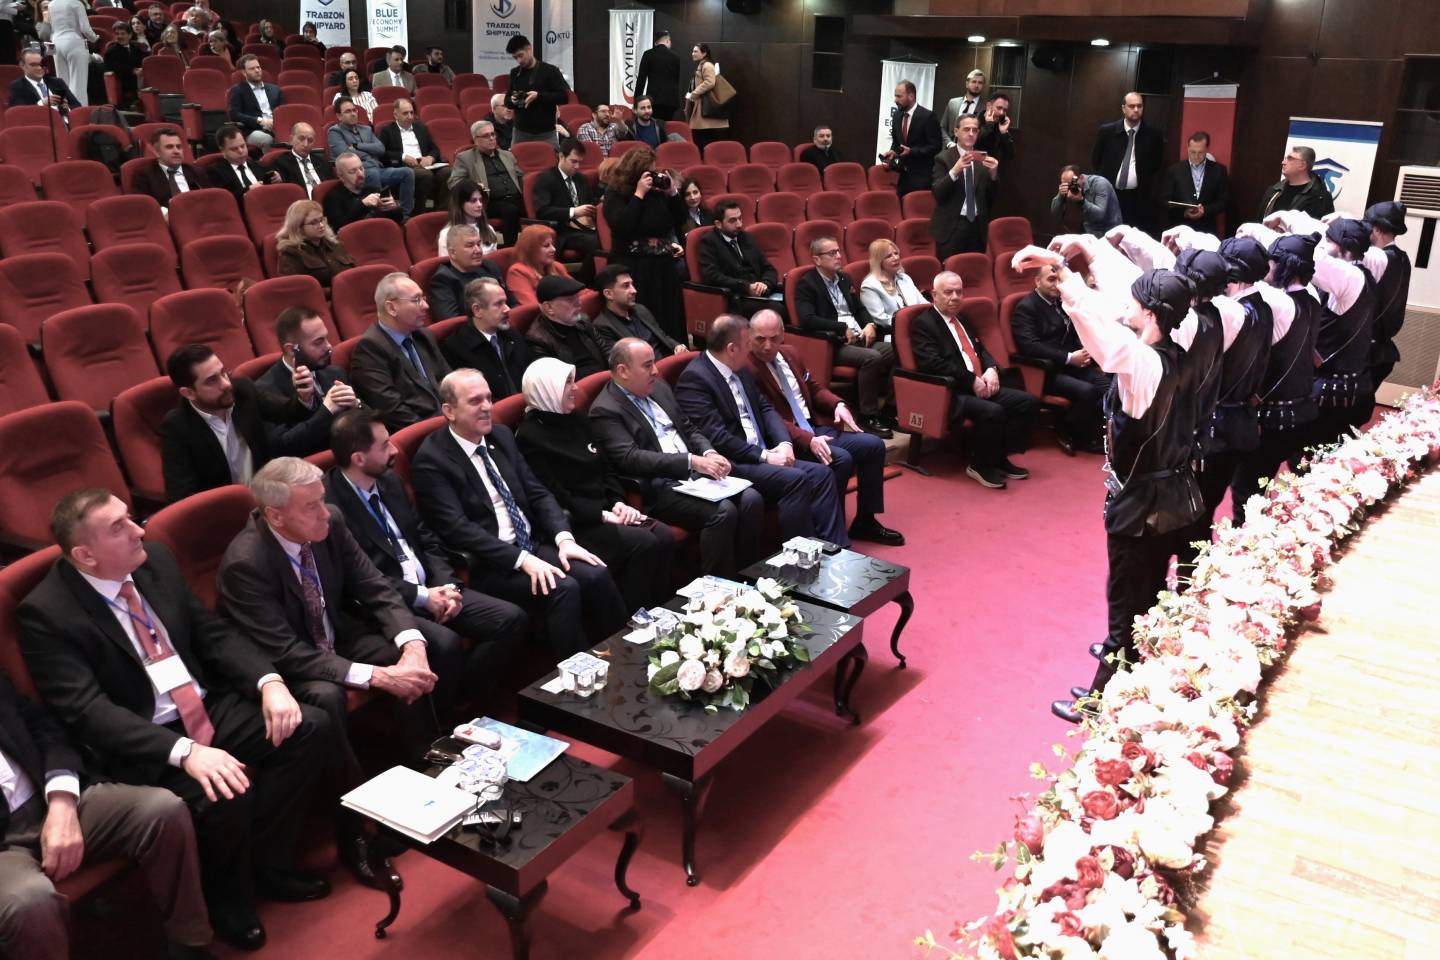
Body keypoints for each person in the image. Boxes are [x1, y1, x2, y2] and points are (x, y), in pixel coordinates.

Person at [20, 489, 332, 950]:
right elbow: (87, 711)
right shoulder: (47, 613)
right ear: (85, 555)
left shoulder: (155, 561)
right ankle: (225, 896)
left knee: (309, 727)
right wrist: (185, 752)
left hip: (205, 705)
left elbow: (211, 634)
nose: (138, 531)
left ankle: (264, 860)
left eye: (131, 518)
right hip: (147, 737)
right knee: (224, 791)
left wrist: (268, 682)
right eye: (119, 528)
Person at [215, 458, 452, 886]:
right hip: (286, 667)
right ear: (275, 516)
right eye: (311, 507)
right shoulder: (245, 563)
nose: (324, 512)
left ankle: (427, 773)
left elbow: (374, 587)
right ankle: (354, 832)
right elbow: (287, 652)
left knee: (410, 656)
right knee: (327, 698)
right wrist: (379, 677)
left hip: (336, 638)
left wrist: (412, 647)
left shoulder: (331, 522)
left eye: (322, 500)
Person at [1004, 247, 1202, 721]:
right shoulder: (1183, 344)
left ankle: (1100, 702)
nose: (1124, 305)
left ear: (1150, 313)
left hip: (1142, 506)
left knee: (1125, 607)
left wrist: (1065, 276)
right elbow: (1113, 314)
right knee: (1147, 597)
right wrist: (1084, 256)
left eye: (1134, 302)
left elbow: (1101, 333)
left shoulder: (1142, 361)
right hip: (1176, 496)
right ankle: (1138, 677)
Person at [411, 368, 629, 654]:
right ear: (449, 411)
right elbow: (458, 529)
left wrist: (565, 539)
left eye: (489, 398)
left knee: (596, 573)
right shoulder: (432, 460)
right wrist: (521, 560)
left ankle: (627, 653)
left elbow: (537, 493)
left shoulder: (500, 435)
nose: (487, 407)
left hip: (532, 543)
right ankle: (579, 673)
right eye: (475, 401)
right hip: (492, 562)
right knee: (563, 588)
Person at [0, 670, 214, 960]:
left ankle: (189, 945)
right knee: (29, 902)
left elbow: (43, 726)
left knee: (163, 811)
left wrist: (62, 802)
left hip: (46, 795)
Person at [325, 409, 524, 712]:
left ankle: (465, 703)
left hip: (432, 587)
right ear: (359, 459)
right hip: (388, 605)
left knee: (510, 619)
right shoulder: (331, 508)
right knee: (445, 644)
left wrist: (447, 585)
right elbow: (363, 579)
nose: (395, 450)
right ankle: (446, 720)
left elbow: (425, 538)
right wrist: (423, 597)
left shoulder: (389, 481)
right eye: (384, 445)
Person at [591, 338, 762, 575]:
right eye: (647, 365)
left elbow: (688, 427)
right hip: (661, 486)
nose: (656, 370)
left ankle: (749, 575)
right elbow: (630, 458)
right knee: (724, 511)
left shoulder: (658, 387)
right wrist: (691, 461)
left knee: (752, 498)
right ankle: (717, 584)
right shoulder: (605, 410)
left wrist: (709, 452)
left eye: (654, 363)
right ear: (623, 371)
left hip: (696, 475)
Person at [516, 359, 676, 609]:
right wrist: (601, 514)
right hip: (579, 522)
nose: (576, 388)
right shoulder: (529, 436)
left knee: (664, 535)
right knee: (643, 543)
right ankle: (636, 616)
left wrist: (618, 502)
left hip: (607, 509)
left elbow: (606, 467)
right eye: (567, 383)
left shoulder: (577, 418)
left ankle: (662, 608)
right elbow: (553, 494)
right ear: (547, 389)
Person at [675, 315, 850, 545]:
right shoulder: (695, 380)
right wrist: (766, 456)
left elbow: (766, 408)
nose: (751, 350)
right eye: (748, 343)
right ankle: (799, 556)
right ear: (732, 349)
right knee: (796, 479)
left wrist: (784, 443)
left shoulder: (738, 368)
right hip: (732, 461)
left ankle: (835, 549)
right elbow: (718, 438)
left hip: (762, 450)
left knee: (822, 474)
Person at [746, 310, 903, 546]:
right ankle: (828, 531)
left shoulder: (790, 353)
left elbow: (814, 388)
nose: (768, 346)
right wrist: (807, 439)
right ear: (749, 336)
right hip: (787, 440)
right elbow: (769, 418)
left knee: (872, 445)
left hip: (816, 427)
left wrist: (837, 404)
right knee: (839, 458)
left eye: (774, 338)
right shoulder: (746, 368)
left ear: (783, 335)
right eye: (760, 339)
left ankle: (865, 521)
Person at [160, 343, 335, 502]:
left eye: (223, 372)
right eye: (212, 381)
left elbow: (288, 412)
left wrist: (304, 396)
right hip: (225, 510)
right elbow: (183, 496)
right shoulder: (176, 427)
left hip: (267, 496)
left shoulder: (243, 390)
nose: (225, 384)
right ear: (189, 393)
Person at [910, 271, 1038, 489]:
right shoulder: (924, 324)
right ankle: (979, 465)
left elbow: (980, 349)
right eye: (948, 292)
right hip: (952, 392)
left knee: (1028, 402)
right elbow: (933, 364)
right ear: (934, 295)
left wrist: (991, 369)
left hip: (978, 383)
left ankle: (998, 456)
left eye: (959, 292)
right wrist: (971, 380)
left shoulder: (963, 319)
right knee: (993, 411)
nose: (955, 297)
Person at [1229, 233, 1323, 523]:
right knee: (1278, 482)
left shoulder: (1280, 304)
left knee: (1247, 489)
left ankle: (1244, 542)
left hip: (1276, 418)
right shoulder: (1312, 299)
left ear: (1286, 265)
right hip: (1303, 411)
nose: (1267, 267)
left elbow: (1250, 286)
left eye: (1271, 261)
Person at [792, 236, 896, 436]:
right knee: (872, 357)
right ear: (816, 259)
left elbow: (859, 309)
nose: (839, 256)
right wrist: (840, 328)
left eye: (839, 251)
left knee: (898, 351)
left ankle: (889, 409)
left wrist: (869, 324)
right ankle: (867, 415)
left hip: (860, 337)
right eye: (832, 253)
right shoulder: (807, 284)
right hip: (834, 344)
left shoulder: (844, 278)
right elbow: (807, 320)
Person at [1009, 260, 1109, 455]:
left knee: (1110, 388)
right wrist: (1070, 357)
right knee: (1088, 391)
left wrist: (1085, 350)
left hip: (1074, 367)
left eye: (1059, 279)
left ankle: (1085, 426)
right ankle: (1072, 431)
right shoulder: (1026, 307)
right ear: (1037, 281)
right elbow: (1030, 347)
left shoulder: (1061, 302)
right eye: (1051, 279)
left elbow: (1074, 332)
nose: (1057, 284)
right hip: (1047, 372)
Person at [602, 146, 687, 342]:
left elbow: (680, 219)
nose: (653, 175)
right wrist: (639, 194)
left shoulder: (657, 192)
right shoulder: (616, 193)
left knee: (670, 316)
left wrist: (673, 193)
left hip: (663, 266)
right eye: (648, 171)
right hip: (634, 266)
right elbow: (623, 225)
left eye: (653, 170)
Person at [350, 272, 454, 430]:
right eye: (416, 300)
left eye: (423, 298)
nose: (426, 306)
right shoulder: (370, 349)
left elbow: (449, 380)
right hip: (421, 432)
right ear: (391, 308)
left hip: (450, 419)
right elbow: (392, 410)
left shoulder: (423, 335)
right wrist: (439, 429)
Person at [442, 277, 532, 400]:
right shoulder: (456, 348)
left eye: (505, 302)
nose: (507, 309)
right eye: (498, 304)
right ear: (477, 310)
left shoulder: (513, 335)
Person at [327, 98, 415, 219]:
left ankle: (404, 214)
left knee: (407, 172)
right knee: (372, 173)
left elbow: (380, 149)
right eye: (348, 111)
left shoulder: (366, 129)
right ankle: (378, 216)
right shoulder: (335, 132)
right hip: (356, 171)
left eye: (354, 110)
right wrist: (369, 155)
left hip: (377, 168)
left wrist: (358, 146)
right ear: (339, 116)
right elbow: (345, 153)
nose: (353, 113)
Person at [1091, 92, 1164, 233]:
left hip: (1138, 199)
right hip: (1109, 195)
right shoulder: (1107, 132)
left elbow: (1156, 165)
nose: (1136, 109)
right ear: (1123, 108)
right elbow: (1096, 160)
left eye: (1139, 106)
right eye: (1132, 106)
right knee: (1106, 235)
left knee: (1131, 238)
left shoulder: (1154, 135)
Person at [257, 306, 354, 410]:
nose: (329, 346)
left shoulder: (336, 373)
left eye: (326, 338)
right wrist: (326, 409)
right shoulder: (268, 392)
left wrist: (356, 404)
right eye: (318, 342)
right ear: (292, 350)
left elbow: (363, 414)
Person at [931, 113, 999, 258]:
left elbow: (991, 198)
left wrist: (993, 175)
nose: (971, 134)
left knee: (973, 269)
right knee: (950, 269)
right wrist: (955, 170)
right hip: (951, 227)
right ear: (956, 132)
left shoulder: (983, 159)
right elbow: (938, 193)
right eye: (966, 129)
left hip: (977, 228)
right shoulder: (943, 158)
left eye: (975, 130)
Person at [698, 200, 783, 317]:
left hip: (760, 293)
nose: (739, 224)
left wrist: (765, 283)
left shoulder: (747, 237)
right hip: (736, 297)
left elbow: (768, 268)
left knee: (795, 298)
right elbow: (711, 276)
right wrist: (746, 287)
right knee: (777, 310)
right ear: (718, 224)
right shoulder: (709, 242)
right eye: (733, 220)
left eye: (740, 218)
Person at [1363, 200, 1413, 397]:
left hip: (1367, 352)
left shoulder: (1378, 259)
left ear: (1376, 229)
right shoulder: (1402, 258)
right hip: (1382, 351)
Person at [532, 138, 601, 276]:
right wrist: (573, 212)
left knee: (612, 239)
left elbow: (590, 202)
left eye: (580, 162)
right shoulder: (546, 178)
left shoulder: (581, 179)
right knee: (598, 243)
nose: (577, 166)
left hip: (585, 228)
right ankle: (583, 281)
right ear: (561, 157)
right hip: (562, 231)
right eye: (573, 161)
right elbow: (542, 211)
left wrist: (598, 205)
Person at [447, 121, 524, 244]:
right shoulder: (465, 158)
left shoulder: (507, 155)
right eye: (486, 136)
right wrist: (474, 186)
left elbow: (521, 177)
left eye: (493, 134)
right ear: (475, 140)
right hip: (489, 201)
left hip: (516, 198)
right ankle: (510, 249)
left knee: (540, 206)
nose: (491, 138)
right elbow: (453, 182)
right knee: (511, 211)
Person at [525, 274, 608, 378]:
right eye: (570, 300)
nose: (579, 303)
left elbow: (607, 352)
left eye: (577, 297)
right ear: (549, 307)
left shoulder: (583, 320)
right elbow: (557, 381)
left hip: (606, 378)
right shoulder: (538, 340)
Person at [593, 264, 683, 357]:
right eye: (626, 286)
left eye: (632, 284)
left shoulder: (640, 309)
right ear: (608, 294)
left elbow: (662, 336)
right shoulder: (603, 326)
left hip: (669, 358)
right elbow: (622, 360)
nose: (634, 290)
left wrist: (677, 346)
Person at [429, 223, 508, 322]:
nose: (478, 250)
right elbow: (452, 323)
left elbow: (512, 302)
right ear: (452, 253)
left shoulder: (489, 266)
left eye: (478, 244)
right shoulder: (443, 280)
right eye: (470, 246)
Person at [379, 98, 446, 212]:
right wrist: (403, 156)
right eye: (405, 113)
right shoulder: (387, 130)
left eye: (411, 112)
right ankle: (419, 212)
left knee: (448, 172)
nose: (410, 116)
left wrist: (430, 157)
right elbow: (382, 152)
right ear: (396, 115)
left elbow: (435, 149)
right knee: (425, 175)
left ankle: (441, 211)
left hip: (425, 164)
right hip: (404, 167)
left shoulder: (421, 128)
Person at [1156, 131, 1228, 235]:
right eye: (1192, 152)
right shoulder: (1174, 171)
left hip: (1206, 229)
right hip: (1180, 228)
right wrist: (1183, 213)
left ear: (1207, 149)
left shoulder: (1219, 171)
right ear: (1187, 147)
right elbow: (1164, 200)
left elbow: (1223, 201)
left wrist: (1205, 210)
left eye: (1200, 152)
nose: (1196, 156)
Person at [275, 198, 357, 290]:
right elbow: (297, 291)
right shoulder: (290, 253)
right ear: (298, 227)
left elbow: (355, 271)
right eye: (313, 223)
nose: (321, 225)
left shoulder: (334, 244)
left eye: (321, 220)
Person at [504, 34, 569, 148]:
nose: (519, 60)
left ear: (529, 49)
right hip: (520, 132)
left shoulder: (551, 71)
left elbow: (564, 97)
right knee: (515, 160)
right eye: (515, 57)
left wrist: (538, 96)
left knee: (551, 159)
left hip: (546, 133)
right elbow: (507, 101)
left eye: (520, 55)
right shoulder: (515, 72)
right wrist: (513, 100)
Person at [882, 79, 942, 197]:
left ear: (911, 96)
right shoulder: (897, 115)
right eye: (895, 96)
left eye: (899, 96)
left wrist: (912, 151)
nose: (895, 100)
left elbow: (936, 147)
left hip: (922, 178)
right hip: (902, 177)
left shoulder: (928, 116)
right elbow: (896, 142)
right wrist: (893, 152)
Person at [322, 150, 403, 230]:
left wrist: (393, 208)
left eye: (361, 168)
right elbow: (338, 227)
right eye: (353, 171)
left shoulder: (372, 190)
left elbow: (398, 220)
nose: (360, 174)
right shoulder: (333, 198)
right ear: (341, 176)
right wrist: (363, 205)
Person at [859, 238, 928, 327]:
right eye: (889, 256)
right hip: (894, 330)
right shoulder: (870, 286)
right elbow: (881, 319)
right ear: (879, 261)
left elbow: (923, 303)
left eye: (896, 253)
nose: (895, 258)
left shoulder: (904, 278)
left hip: (918, 325)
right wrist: (910, 324)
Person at [1257, 145, 1335, 221]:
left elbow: (1325, 227)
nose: (1283, 162)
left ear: (1302, 165)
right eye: (1285, 158)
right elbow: (1259, 222)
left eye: (1290, 158)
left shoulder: (1320, 198)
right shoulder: (1273, 191)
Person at [207, 123, 277, 205]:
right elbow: (224, 200)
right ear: (223, 151)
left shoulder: (258, 166)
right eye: (234, 149)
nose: (240, 151)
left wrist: (277, 179)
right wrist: (249, 190)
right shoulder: (216, 172)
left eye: (243, 146)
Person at [131, 126, 201, 208]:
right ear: (156, 152)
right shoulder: (144, 175)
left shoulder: (196, 171)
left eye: (179, 147)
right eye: (169, 147)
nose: (176, 151)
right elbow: (144, 205)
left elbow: (209, 198)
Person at [506, 224, 572, 308]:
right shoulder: (517, 271)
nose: (553, 249)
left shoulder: (557, 266)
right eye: (546, 246)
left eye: (552, 244)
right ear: (531, 250)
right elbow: (532, 307)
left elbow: (581, 292)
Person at [225, 54, 281, 149]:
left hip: (277, 127)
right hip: (253, 130)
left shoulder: (275, 89)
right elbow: (234, 114)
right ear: (244, 72)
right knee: (266, 139)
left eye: (258, 67)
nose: (257, 70)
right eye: (252, 69)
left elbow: (283, 111)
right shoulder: (238, 90)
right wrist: (259, 121)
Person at [1051, 165, 1122, 237]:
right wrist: (1060, 195)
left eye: (1071, 183)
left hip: (1109, 231)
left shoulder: (1100, 184)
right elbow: (1055, 212)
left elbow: (1100, 215)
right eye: (1065, 184)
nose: (1070, 187)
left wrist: (1081, 200)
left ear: (1081, 178)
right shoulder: (1068, 188)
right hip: (1088, 231)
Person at [47, 0, 94, 107]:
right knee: (78, 83)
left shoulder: (51, 4)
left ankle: (65, 111)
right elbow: (85, 29)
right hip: (74, 41)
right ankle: (80, 112)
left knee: (62, 82)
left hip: (56, 42)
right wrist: (95, 38)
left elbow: (51, 27)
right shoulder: (76, 3)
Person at [437, 178, 500, 258]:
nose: (479, 205)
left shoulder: (488, 229)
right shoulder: (446, 234)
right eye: (473, 201)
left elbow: (494, 260)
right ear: (460, 204)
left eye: (480, 200)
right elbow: (445, 263)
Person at [270, 122, 334, 198]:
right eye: (301, 139)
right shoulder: (281, 163)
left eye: (310, 140)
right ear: (291, 140)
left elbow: (330, 188)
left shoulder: (322, 162)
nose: (305, 144)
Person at [685, 43, 730, 149]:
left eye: (696, 51)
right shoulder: (703, 65)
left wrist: (694, 93)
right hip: (702, 108)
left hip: (705, 108)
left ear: (704, 53)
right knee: (702, 139)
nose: (693, 53)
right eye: (693, 51)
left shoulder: (707, 65)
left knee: (703, 140)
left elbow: (710, 82)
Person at [7, 48, 79, 111]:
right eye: (33, 65)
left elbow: (77, 106)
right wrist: (42, 104)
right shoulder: (17, 86)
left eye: (40, 64)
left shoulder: (57, 82)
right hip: (39, 121)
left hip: (63, 119)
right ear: (22, 66)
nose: (39, 68)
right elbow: (19, 112)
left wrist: (67, 108)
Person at [635, 30, 681, 121]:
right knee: (667, 126)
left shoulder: (648, 54)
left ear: (655, 43)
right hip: (671, 100)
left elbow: (641, 79)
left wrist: (637, 100)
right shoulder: (675, 57)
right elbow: (677, 79)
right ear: (667, 41)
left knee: (654, 125)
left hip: (654, 99)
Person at [103, 20, 147, 109]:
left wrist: (140, 69)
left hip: (139, 79)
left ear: (130, 35)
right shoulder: (110, 52)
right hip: (123, 82)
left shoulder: (136, 49)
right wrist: (132, 70)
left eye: (123, 34)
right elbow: (112, 67)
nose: (120, 36)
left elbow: (141, 62)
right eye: (117, 34)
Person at [940, 68, 986, 144]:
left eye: (980, 83)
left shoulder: (986, 108)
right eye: (974, 82)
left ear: (983, 86)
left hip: (973, 148)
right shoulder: (953, 103)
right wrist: (949, 144)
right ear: (967, 84)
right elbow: (942, 128)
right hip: (951, 147)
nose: (976, 85)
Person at [975, 92, 1015, 164]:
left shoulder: (1002, 124)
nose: (1001, 113)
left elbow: (1010, 155)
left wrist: (1004, 133)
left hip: (994, 167)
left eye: (1004, 110)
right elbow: (973, 144)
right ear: (989, 106)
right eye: (999, 108)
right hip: (975, 166)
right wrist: (989, 125)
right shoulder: (974, 121)